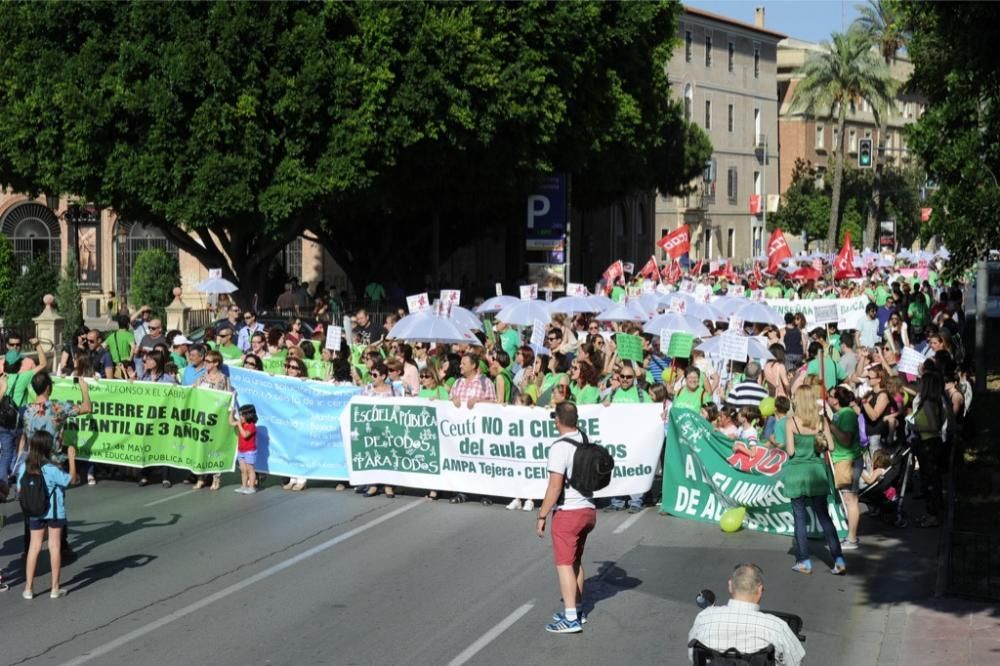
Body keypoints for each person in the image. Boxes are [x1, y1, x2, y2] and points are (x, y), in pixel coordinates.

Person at [535, 402, 596, 634]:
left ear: (557, 421)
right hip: (588, 510)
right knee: (576, 562)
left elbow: (555, 486)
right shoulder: (583, 438)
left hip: (569, 513)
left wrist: (542, 514)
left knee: (563, 565)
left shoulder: (560, 447)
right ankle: (577, 610)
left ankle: (571, 619)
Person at [20, 371, 92, 565]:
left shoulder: (26, 410)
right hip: (53, 464)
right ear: (48, 388)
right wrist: (84, 390)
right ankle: (62, 546)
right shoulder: (57, 407)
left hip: (32, 464)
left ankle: (28, 549)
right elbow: (87, 408)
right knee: (56, 505)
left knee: (32, 505)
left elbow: (24, 438)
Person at [687, 563, 804, 666]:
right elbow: (795, 662)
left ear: (730, 586)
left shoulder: (705, 618)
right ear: (760, 589)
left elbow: (693, 655)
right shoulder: (776, 627)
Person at [784, 386, 845, 575]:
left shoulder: (791, 422)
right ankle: (838, 559)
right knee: (824, 517)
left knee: (800, 518)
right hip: (817, 472)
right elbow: (832, 447)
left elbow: (791, 452)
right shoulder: (821, 421)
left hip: (797, 473)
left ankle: (804, 561)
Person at [19, 431, 72, 600]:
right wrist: (71, 459)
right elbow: (70, 480)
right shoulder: (51, 469)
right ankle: (55, 589)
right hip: (54, 512)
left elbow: (20, 489)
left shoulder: (24, 467)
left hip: (34, 512)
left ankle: (28, 588)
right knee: (54, 546)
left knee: (34, 548)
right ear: (47, 448)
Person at [192, 350, 234, 491]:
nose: (206, 364)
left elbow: (230, 398)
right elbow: (192, 392)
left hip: (216, 419)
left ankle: (216, 478)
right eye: (205, 361)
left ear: (216, 363)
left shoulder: (223, 379)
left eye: (209, 361)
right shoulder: (202, 378)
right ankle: (200, 477)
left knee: (215, 447)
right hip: (202, 418)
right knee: (201, 447)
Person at [827, 386, 862, 551]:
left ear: (836, 399)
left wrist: (830, 426)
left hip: (848, 460)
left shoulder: (847, 414)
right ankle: (851, 536)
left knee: (851, 500)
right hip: (842, 460)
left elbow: (846, 440)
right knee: (848, 500)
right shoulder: (841, 414)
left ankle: (852, 538)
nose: (828, 399)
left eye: (830, 396)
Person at [230, 404, 258, 495]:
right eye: (240, 414)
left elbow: (245, 435)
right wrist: (231, 413)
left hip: (249, 451)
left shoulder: (251, 426)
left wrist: (239, 425)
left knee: (250, 469)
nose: (240, 417)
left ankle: (251, 488)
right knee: (243, 469)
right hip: (241, 450)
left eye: (242, 415)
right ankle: (244, 486)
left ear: (248, 415)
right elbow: (231, 423)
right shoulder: (241, 423)